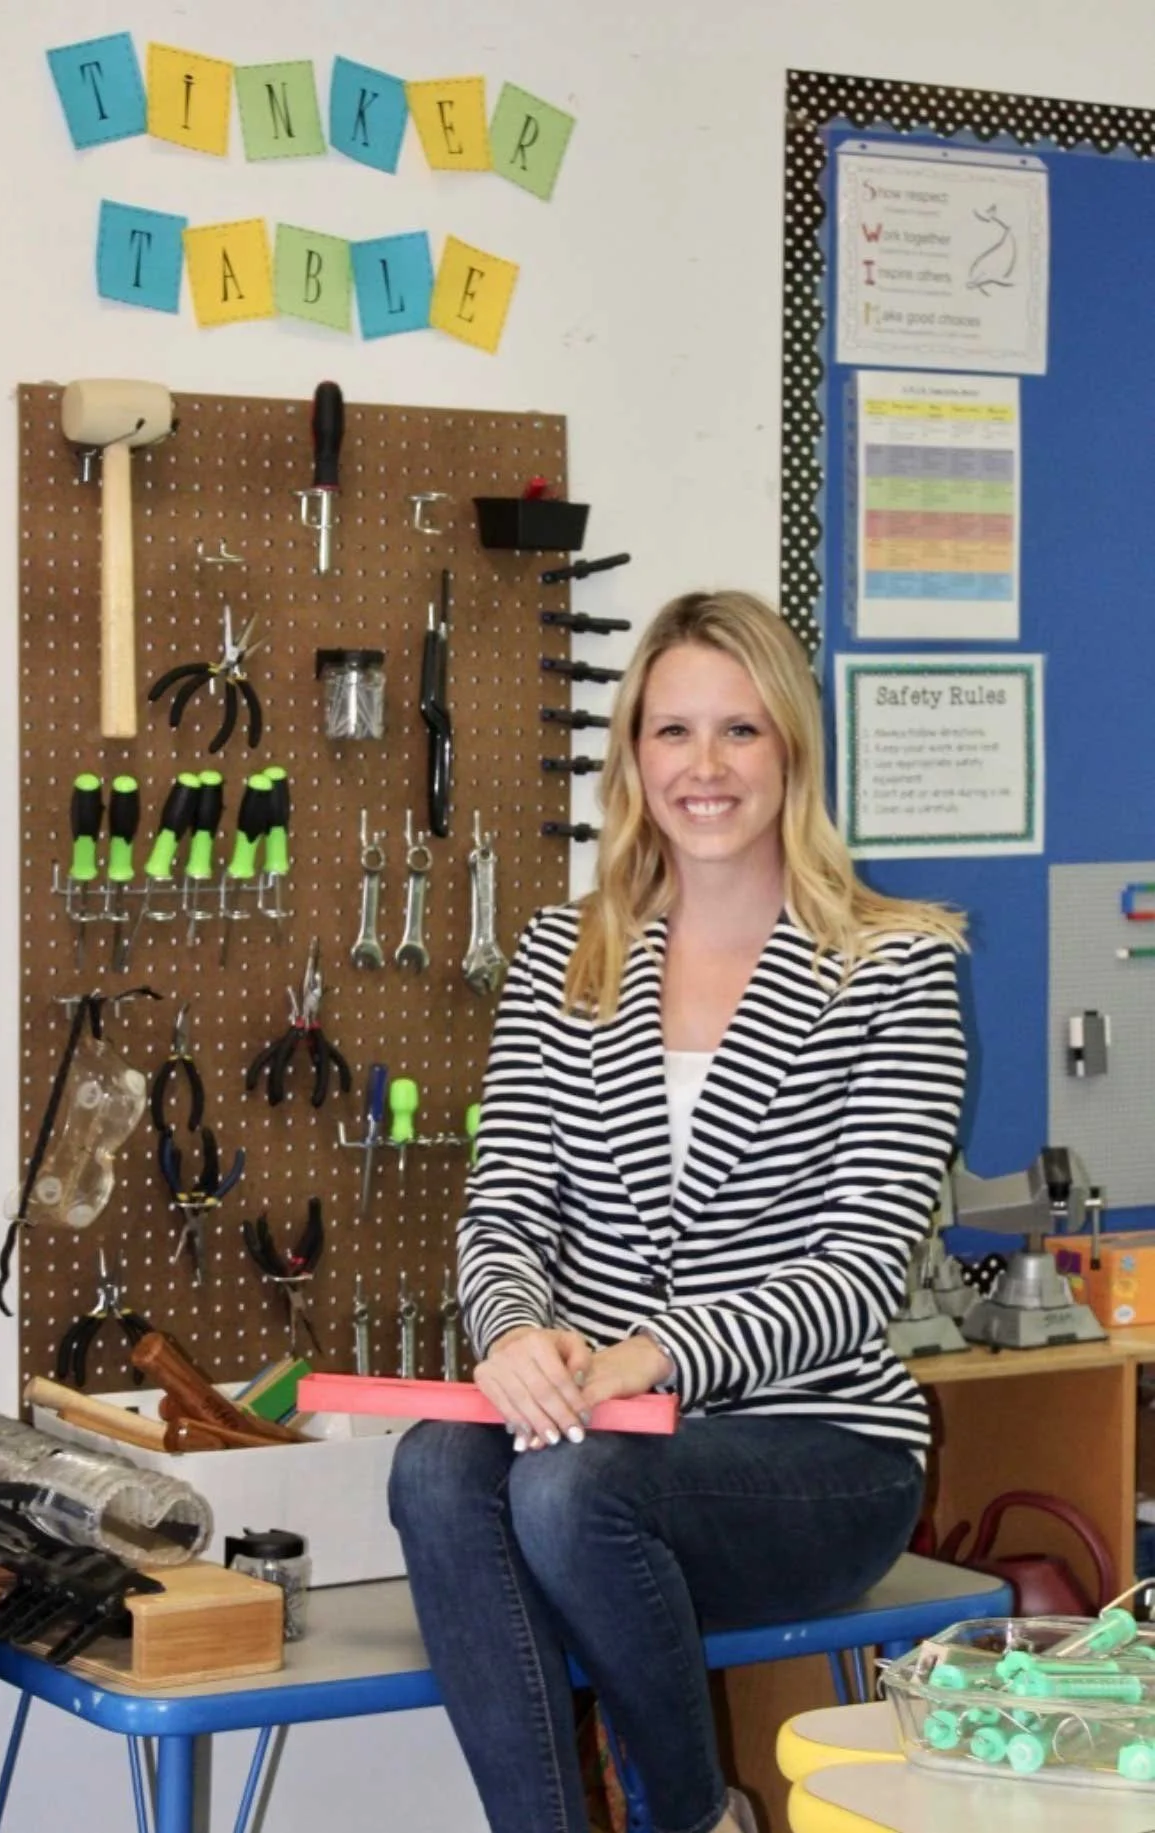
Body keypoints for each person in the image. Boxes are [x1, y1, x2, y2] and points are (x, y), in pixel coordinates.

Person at [389, 589, 967, 1833]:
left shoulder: (892, 966)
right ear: (633, 759)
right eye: (672, 733)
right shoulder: (564, 952)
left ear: (793, 752)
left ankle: (691, 1820)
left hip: (814, 1455)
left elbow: (863, 1269)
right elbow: (503, 1209)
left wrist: (644, 1358)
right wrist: (511, 1338)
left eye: (740, 733)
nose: (704, 769)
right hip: (602, 1437)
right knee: (439, 1466)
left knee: (570, 1490)